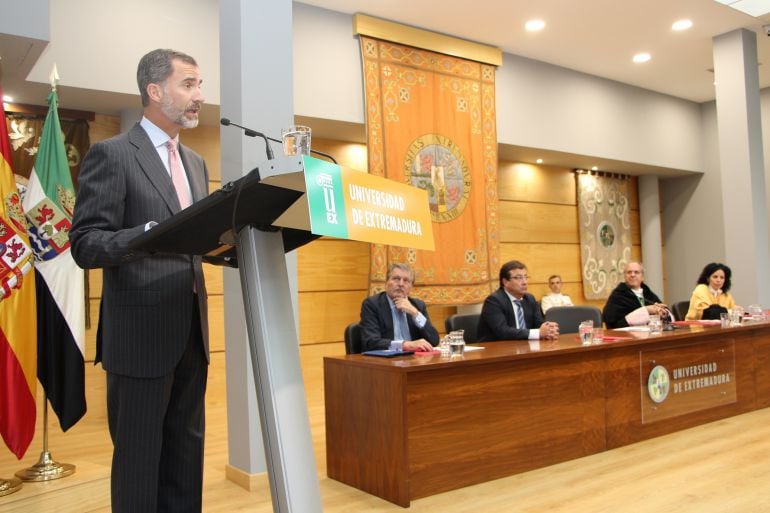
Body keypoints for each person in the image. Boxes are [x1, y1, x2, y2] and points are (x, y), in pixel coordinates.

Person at [70, 49, 209, 513]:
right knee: (139, 463)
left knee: (185, 458)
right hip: (141, 338)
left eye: (199, 86)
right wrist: (145, 236)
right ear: (154, 91)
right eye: (188, 85)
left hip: (191, 330)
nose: (199, 97)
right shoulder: (111, 155)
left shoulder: (195, 162)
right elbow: (86, 243)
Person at [360, 263, 439, 352]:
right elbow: (371, 342)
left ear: (411, 287)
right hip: (386, 362)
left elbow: (434, 340)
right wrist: (405, 345)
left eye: (406, 281)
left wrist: (415, 313)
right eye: (396, 279)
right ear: (386, 282)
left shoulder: (418, 305)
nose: (401, 284)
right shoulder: (372, 305)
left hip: (414, 361)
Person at [477, 260, 560, 341]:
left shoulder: (529, 299)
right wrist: (538, 333)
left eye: (525, 277)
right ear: (505, 282)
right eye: (519, 278)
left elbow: (538, 324)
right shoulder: (494, 301)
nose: (524, 282)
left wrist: (549, 330)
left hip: (525, 347)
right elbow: (502, 332)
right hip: (496, 350)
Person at [602, 261, 668, 329]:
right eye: (629, 272)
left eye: (636, 272)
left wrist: (662, 312)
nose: (632, 275)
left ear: (642, 277)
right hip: (628, 336)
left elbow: (668, 316)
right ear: (625, 276)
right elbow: (613, 323)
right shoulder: (617, 295)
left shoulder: (648, 293)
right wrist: (647, 310)